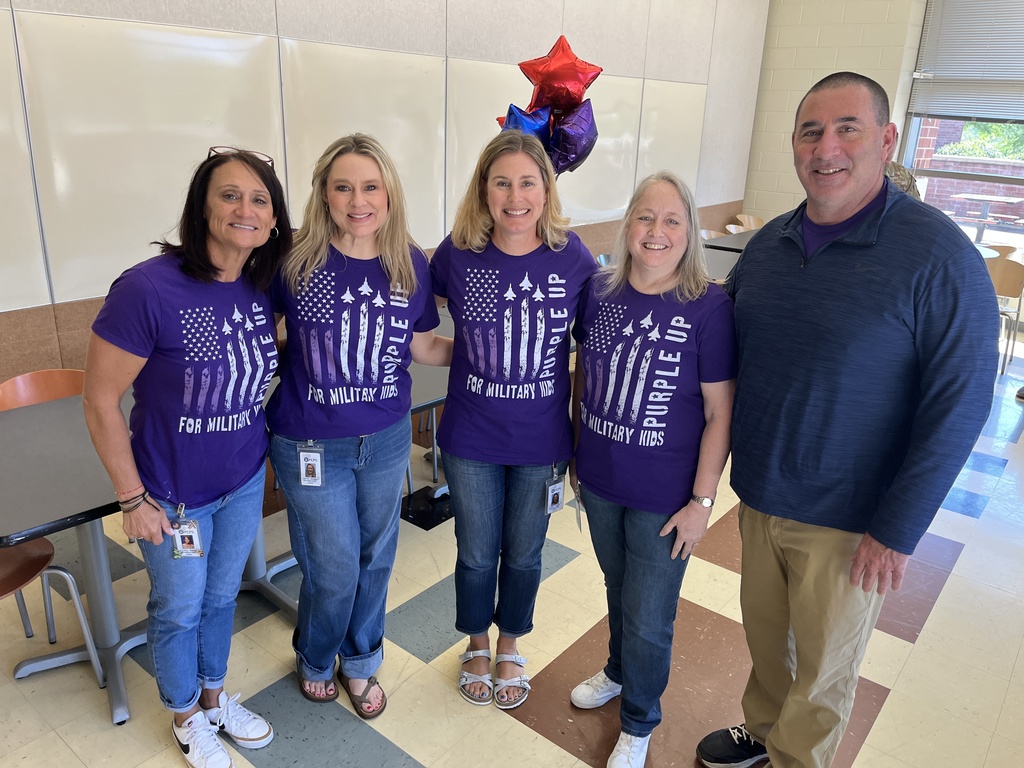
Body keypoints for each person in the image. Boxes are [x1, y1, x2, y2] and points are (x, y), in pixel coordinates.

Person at [696, 72, 997, 768]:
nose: (825, 148)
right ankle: (763, 733)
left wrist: (896, 529)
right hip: (761, 496)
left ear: (886, 140)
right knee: (767, 641)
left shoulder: (939, 257)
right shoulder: (769, 245)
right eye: (811, 132)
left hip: (850, 520)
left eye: (847, 129)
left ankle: (797, 759)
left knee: (824, 671)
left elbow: (960, 403)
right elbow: (719, 353)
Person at [84, 146, 292, 768]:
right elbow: (99, 401)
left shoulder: (261, 286)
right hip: (172, 495)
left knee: (222, 597)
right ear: (202, 207)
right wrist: (132, 499)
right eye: (230, 195)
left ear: (273, 219)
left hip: (242, 478)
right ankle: (184, 716)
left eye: (260, 199)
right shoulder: (148, 289)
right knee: (178, 609)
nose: (245, 209)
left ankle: (214, 697)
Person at [267, 133, 451, 715]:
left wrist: (487, 352)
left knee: (376, 556)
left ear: (389, 194)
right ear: (323, 194)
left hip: (387, 438)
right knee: (335, 565)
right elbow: (259, 332)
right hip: (310, 441)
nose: (358, 200)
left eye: (371, 187)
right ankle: (316, 656)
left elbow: (422, 346)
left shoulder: (409, 263)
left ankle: (361, 658)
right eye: (343, 187)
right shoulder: (294, 262)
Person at [569, 172, 736, 768]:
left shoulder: (709, 307)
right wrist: (577, 454)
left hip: (666, 498)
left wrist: (702, 504)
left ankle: (639, 721)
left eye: (671, 220)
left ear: (689, 231)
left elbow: (719, 414)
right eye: (645, 216)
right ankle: (619, 673)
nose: (656, 231)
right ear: (628, 223)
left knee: (649, 616)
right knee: (618, 590)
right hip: (601, 482)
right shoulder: (599, 291)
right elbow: (585, 377)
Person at [430, 130, 597, 709]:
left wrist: (583, 439)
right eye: (501, 183)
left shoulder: (572, 257)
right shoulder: (458, 253)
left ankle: (509, 645)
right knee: (476, 551)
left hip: (542, 442)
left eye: (528, 182)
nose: (515, 196)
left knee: (525, 552)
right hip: (470, 438)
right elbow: (412, 306)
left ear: (546, 190)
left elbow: (589, 353)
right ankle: (476, 643)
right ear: (484, 190)